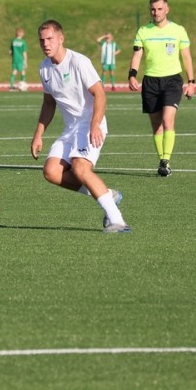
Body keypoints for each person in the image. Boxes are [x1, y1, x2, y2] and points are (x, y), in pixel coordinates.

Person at [30, 20, 129, 233]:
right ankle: (107, 194)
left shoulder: (79, 62)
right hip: (71, 128)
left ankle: (118, 221)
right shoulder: (44, 68)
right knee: (51, 172)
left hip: (91, 123)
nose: (45, 44)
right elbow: (48, 103)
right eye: (42, 40)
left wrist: (95, 124)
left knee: (80, 167)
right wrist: (38, 134)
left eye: (50, 39)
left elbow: (100, 93)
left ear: (61, 39)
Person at [128, 0, 195, 177]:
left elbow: (187, 57)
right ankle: (163, 164)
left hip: (172, 80)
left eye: (159, 9)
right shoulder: (143, 31)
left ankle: (166, 159)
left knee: (168, 121)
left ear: (167, 9)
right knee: (157, 126)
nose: (156, 12)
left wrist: (191, 82)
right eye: (153, 9)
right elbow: (137, 55)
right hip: (151, 81)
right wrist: (132, 75)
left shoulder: (178, 30)